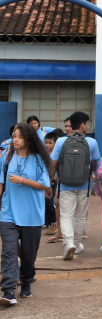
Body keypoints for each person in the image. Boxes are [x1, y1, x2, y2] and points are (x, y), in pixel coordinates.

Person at [0, 123, 52, 306]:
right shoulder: (6, 157)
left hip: (31, 214)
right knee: (8, 251)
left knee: (28, 255)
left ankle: (27, 280)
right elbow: (1, 183)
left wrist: (23, 180)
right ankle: (8, 290)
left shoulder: (38, 160)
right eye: (14, 136)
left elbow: (45, 185)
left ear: (28, 139)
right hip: (8, 213)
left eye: (20, 137)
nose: (15, 139)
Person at [50, 112, 100, 261]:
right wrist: (91, 173)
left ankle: (68, 243)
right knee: (80, 215)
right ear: (83, 125)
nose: (88, 126)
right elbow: (96, 163)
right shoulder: (91, 142)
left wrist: (50, 181)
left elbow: (53, 164)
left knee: (66, 215)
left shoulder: (60, 142)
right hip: (84, 185)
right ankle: (77, 245)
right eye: (87, 124)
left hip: (65, 185)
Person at [42, 130, 63, 236]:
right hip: (44, 182)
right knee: (46, 203)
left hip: (54, 183)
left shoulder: (58, 155)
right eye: (46, 142)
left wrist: (58, 176)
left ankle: (55, 223)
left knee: (53, 203)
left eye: (50, 143)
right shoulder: (43, 155)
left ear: (56, 143)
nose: (47, 145)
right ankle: (51, 223)